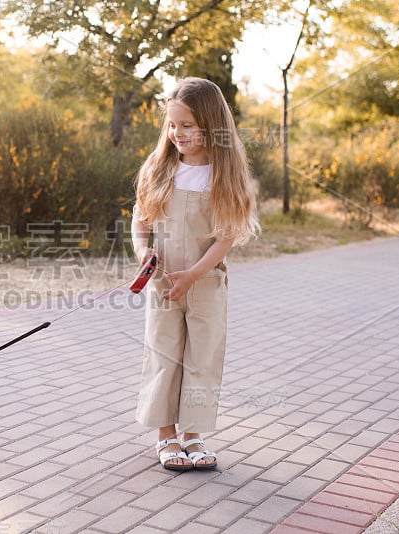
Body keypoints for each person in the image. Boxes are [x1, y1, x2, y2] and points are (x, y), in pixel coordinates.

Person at [131, 77, 259, 471]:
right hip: (163, 283)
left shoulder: (225, 175)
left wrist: (194, 273)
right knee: (164, 354)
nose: (177, 134)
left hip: (205, 282)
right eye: (172, 125)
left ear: (211, 124)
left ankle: (193, 435)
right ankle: (165, 436)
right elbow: (141, 221)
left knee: (202, 358)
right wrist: (143, 253)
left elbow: (227, 237)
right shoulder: (160, 168)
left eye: (187, 125)